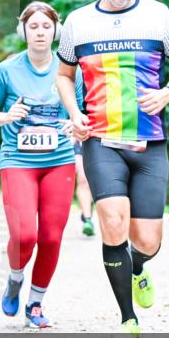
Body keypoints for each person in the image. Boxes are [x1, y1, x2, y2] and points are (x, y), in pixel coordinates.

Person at [56, 0, 169, 338]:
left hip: (149, 143)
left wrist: (168, 92)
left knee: (148, 241)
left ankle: (138, 267)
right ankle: (127, 319)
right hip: (100, 140)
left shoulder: (158, 15)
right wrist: (75, 113)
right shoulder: (79, 22)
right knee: (113, 222)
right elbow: (64, 75)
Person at [0, 1, 75, 329]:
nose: (40, 32)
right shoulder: (7, 70)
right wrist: (6, 116)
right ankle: (15, 277)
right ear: (23, 32)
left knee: (51, 237)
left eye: (46, 26)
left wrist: (76, 124)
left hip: (59, 161)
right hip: (18, 161)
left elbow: (84, 112)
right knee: (25, 234)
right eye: (34, 27)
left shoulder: (69, 69)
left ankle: (35, 303)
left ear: (56, 32)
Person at [72, 73, 96, 237]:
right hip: (77, 132)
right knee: (83, 178)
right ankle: (87, 219)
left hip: (101, 131)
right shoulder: (68, 75)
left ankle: (90, 206)